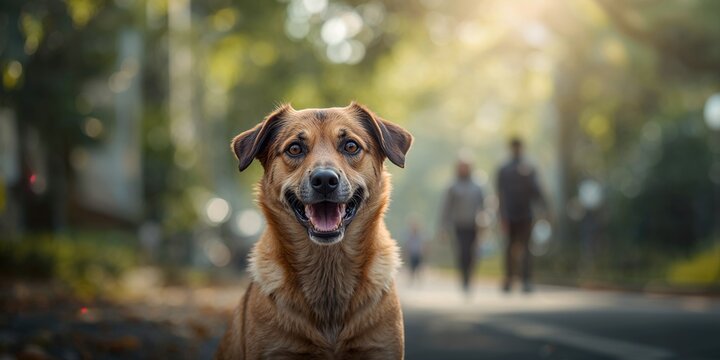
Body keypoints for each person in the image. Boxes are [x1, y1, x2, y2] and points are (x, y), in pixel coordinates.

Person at [496, 137, 547, 293]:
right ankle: (509, 278)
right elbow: (499, 193)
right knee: (509, 247)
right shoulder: (504, 169)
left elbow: (537, 190)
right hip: (509, 214)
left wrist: (544, 208)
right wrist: (501, 213)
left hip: (526, 213)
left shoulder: (529, 168)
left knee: (526, 248)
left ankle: (526, 279)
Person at [441, 159, 485, 294]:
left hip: (474, 224)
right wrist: (443, 227)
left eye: (466, 167)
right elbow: (446, 208)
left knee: (472, 253)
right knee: (462, 252)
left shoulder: (478, 186)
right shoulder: (453, 187)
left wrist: (485, 220)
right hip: (459, 225)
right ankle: (463, 277)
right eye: (461, 167)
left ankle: (470, 276)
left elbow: (484, 205)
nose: (463, 169)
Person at [404, 218, 424, 285]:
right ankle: (411, 280)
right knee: (412, 267)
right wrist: (406, 252)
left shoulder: (420, 235)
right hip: (412, 254)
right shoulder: (409, 235)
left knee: (418, 267)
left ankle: (419, 280)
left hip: (418, 253)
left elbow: (423, 244)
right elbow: (407, 244)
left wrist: (424, 251)